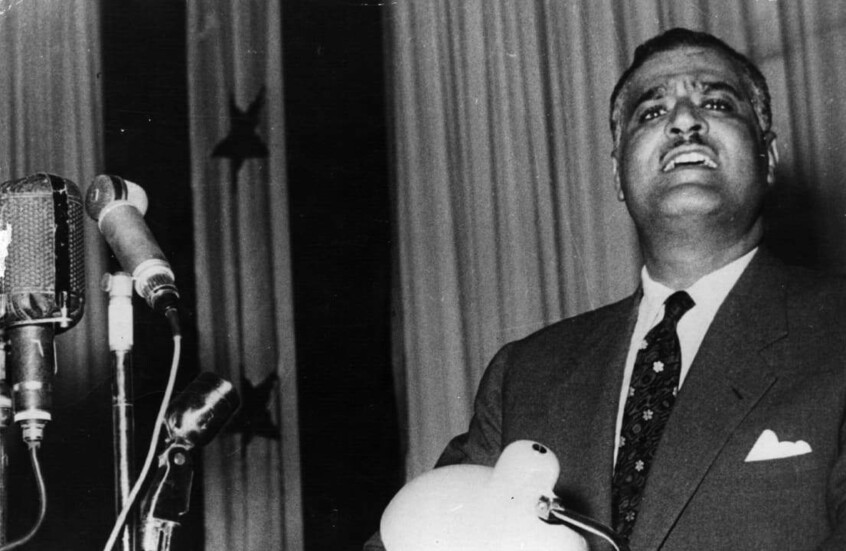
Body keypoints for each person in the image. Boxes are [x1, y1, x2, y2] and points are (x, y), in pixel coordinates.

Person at [368, 27, 846, 551]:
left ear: (768, 157)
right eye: (652, 112)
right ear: (618, 173)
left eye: (716, 103)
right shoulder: (526, 376)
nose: (684, 121)